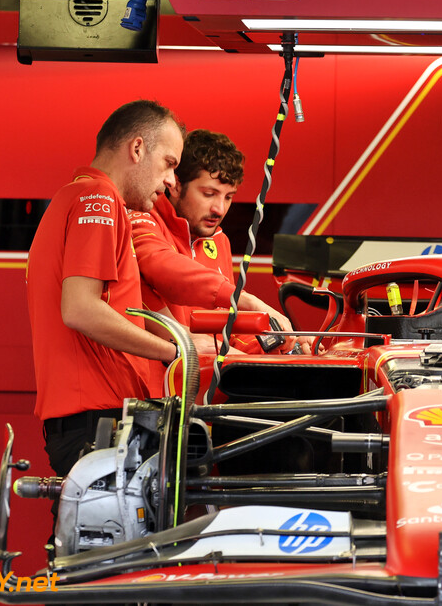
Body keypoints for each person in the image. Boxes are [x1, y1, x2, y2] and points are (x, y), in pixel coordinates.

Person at [27, 99, 184, 477]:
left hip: (92, 420)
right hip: (98, 421)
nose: (171, 182)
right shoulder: (98, 198)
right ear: (137, 148)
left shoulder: (76, 197)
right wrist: (176, 352)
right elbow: (79, 309)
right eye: (169, 163)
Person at [127, 128, 306, 382]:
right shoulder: (142, 217)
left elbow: (226, 337)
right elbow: (161, 265)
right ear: (175, 185)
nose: (219, 208)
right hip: (149, 393)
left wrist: (285, 348)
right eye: (209, 194)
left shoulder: (219, 241)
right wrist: (248, 301)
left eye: (228, 197)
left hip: (204, 395)